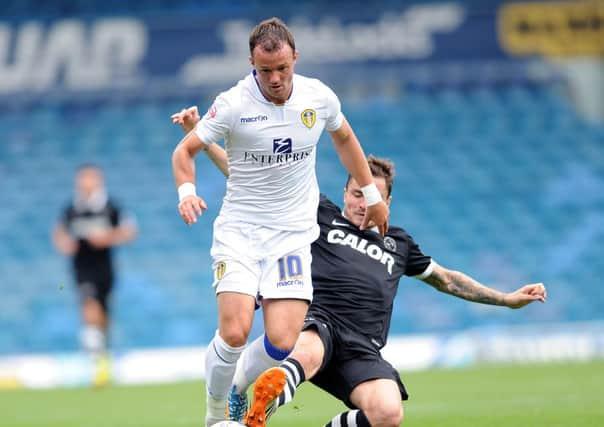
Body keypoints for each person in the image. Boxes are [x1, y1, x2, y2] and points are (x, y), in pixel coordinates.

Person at [171, 110, 547, 427]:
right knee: (307, 348)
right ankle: (262, 402)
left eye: (373, 198)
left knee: (387, 413)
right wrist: (198, 138)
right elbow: (251, 177)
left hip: (363, 348)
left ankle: (275, 395)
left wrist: (507, 299)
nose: (362, 203)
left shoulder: (398, 244)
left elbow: (448, 280)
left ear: (387, 201)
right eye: (356, 193)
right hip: (317, 324)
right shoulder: (321, 215)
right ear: (347, 191)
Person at [170, 17, 389, 427]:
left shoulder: (317, 97)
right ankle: (215, 414)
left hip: (291, 237)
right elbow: (184, 153)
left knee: (283, 340)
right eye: (264, 70)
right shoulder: (233, 103)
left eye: (282, 68)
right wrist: (187, 194)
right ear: (251, 63)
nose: (274, 78)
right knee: (235, 332)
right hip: (240, 233)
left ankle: (236, 386)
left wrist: (372, 194)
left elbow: (344, 140)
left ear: (295, 59)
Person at [52, 164, 137, 386]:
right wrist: (64, 243)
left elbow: (129, 230)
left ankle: (103, 355)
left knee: (103, 314)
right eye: (83, 179)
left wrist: (107, 238)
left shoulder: (110, 206)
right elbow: (59, 230)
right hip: (82, 267)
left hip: (105, 267)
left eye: (90, 178)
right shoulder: (72, 207)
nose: (86, 183)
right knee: (89, 304)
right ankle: (95, 363)